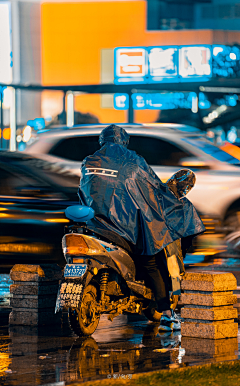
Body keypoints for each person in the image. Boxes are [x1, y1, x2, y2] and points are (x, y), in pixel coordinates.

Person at [78, 124, 205, 330]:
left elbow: (85, 192)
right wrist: (175, 202)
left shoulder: (88, 161)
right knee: (151, 262)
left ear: (102, 141)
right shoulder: (134, 161)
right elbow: (155, 190)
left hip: (95, 225)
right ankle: (166, 314)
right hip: (127, 229)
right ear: (124, 141)